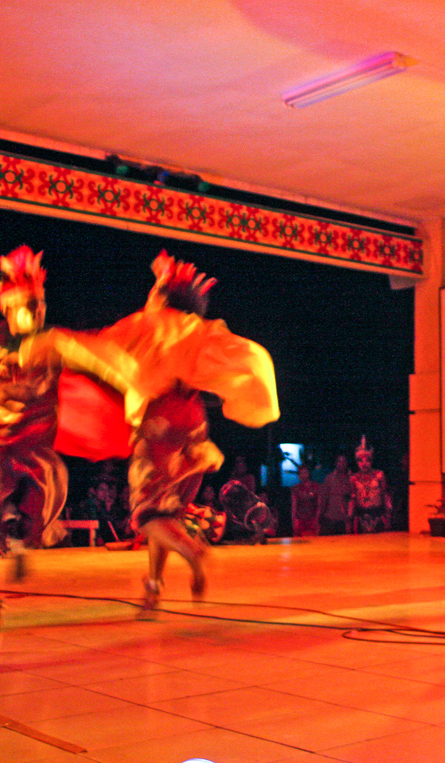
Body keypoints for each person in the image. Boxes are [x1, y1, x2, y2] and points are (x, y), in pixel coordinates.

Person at [0, 247, 144, 635]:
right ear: (7, 306)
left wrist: (137, 392)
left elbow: (105, 361)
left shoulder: (55, 342)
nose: (38, 311)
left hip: (35, 450)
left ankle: (23, 538)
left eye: (40, 304)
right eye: (29, 304)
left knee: (34, 519)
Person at [97, 251, 279, 618]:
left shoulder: (155, 326)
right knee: (166, 515)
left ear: (163, 300)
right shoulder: (199, 333)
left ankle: (193, 553)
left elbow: (108, 344)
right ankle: (153, 593)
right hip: (194, 424)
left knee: (147, 515)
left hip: (160, 423)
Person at [349, 437, 391, 533]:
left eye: (367, 460)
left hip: (378, 515)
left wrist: (388, 515)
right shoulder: (354, 478)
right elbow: (352, 499)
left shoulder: (379, 475)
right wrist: (349, 517)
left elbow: (386, 495)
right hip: (360, 517)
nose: (364, 463)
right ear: (357, 462)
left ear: (371, 461)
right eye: (360, 461)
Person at [317, 454, 352, 535]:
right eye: (339, 461)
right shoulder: (329, 478)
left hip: (345, 519)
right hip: (330, 518)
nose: (341, 464)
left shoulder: (351, 478)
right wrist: (320, 516)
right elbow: (323, 499)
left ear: (347, 463)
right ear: (336, 463)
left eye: (344, 462)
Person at [290, 465, 322, 536]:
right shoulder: (295, 488)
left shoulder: (316, 487)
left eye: (305, 473)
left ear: (309, 473)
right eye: (300, 473)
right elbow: (294, 506)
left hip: (313, 519)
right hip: (300, 520)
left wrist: (317, 519)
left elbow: (319, 505)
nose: (303, 475)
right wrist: (294, 521)